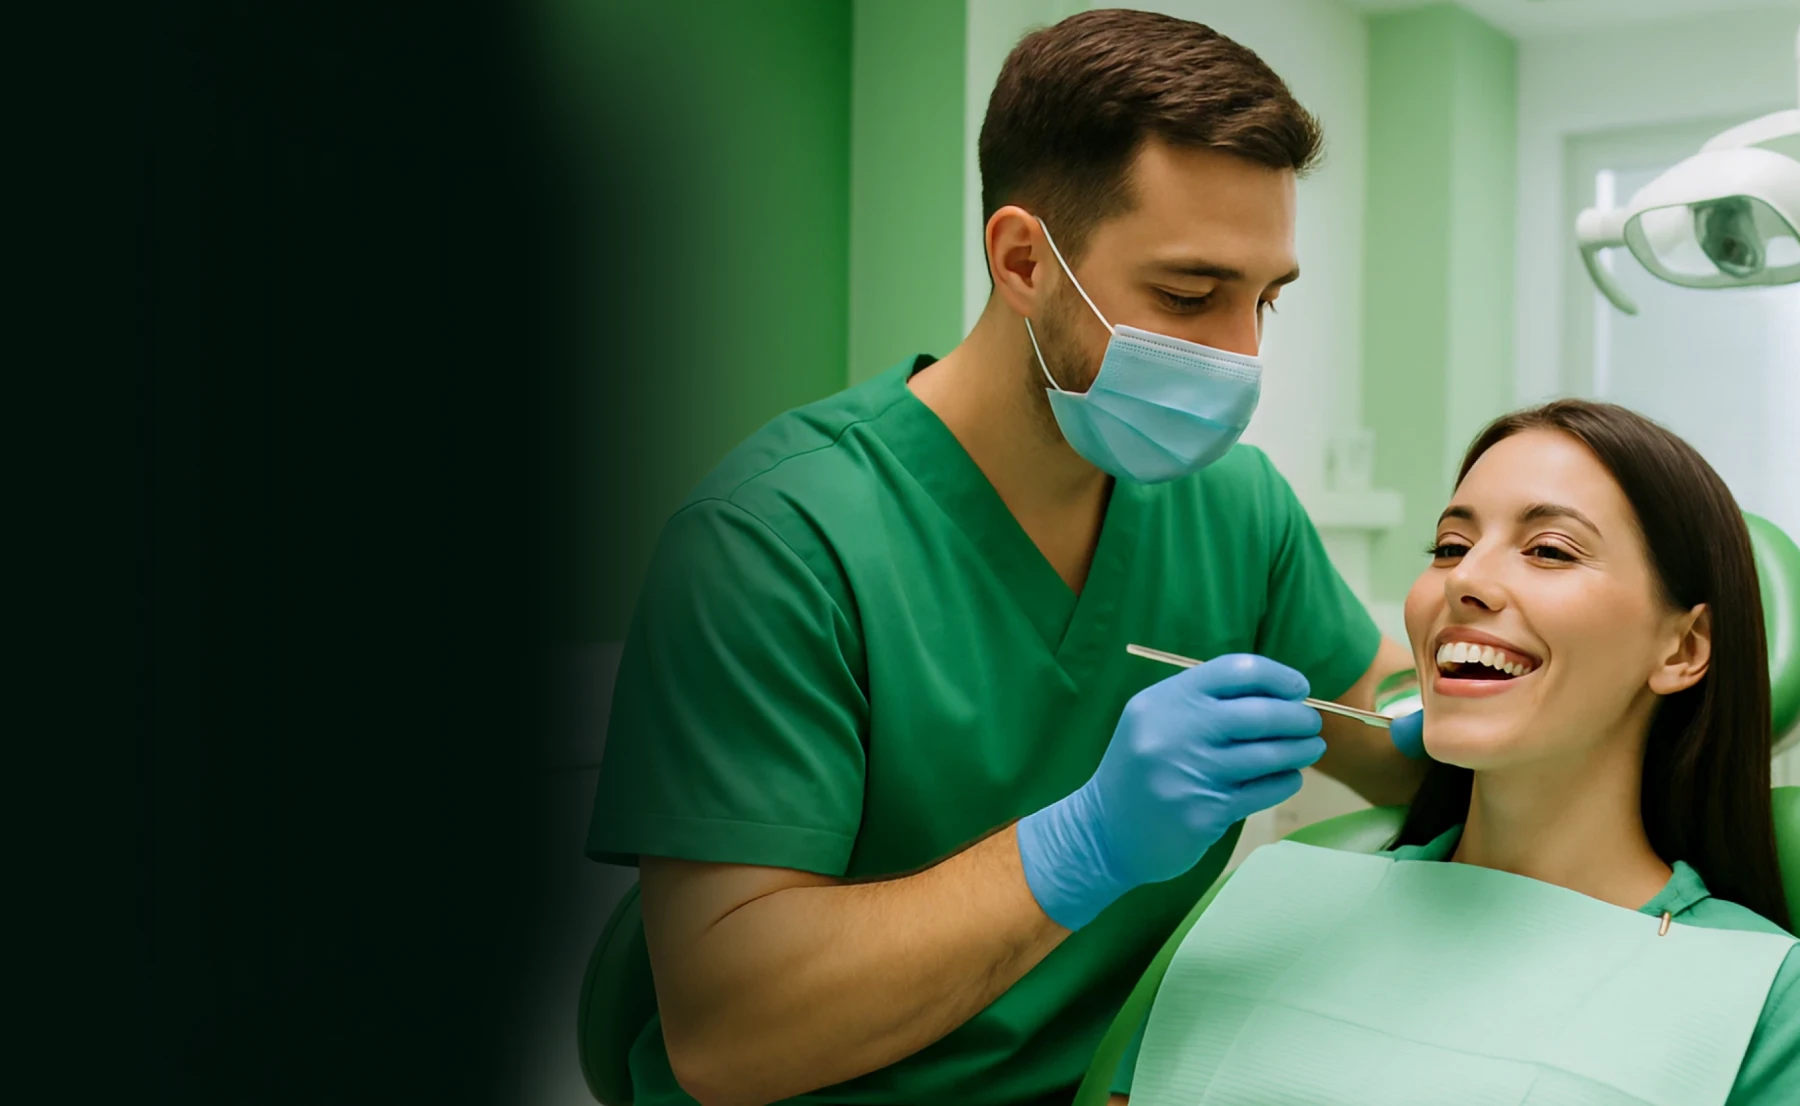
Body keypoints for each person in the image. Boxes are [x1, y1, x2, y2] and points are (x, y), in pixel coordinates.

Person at [582, 10, 1431, 1106]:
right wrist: (1081, 841)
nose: (1240, 357)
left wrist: (1472, 666)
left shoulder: (1233, 507)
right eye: (1187, 296)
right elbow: (727, 1035)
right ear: (1024, 259)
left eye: (1263, 300)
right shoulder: (773, 539)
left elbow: (1390, 738)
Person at [1100, 400, 1800, 1105]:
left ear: (1683, 647)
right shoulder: (1272, 900)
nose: (1464, 580)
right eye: (1449, 546)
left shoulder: (1780, 1010)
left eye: (1548, 550)